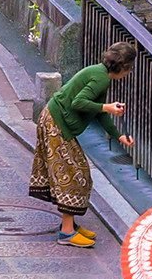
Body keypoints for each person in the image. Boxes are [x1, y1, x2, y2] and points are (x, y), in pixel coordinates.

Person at [30, 38, 132, 247]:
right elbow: (80, 103)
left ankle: (70, 226)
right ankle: (67, 232)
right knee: (75, 174)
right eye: (130, 69)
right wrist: (107, 107)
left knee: (76, 172)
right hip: (56, 124)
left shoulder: (100, 74)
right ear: (124, 67)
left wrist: (118, 135)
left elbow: (96, 108)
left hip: (56, 121)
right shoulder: (101, 78)